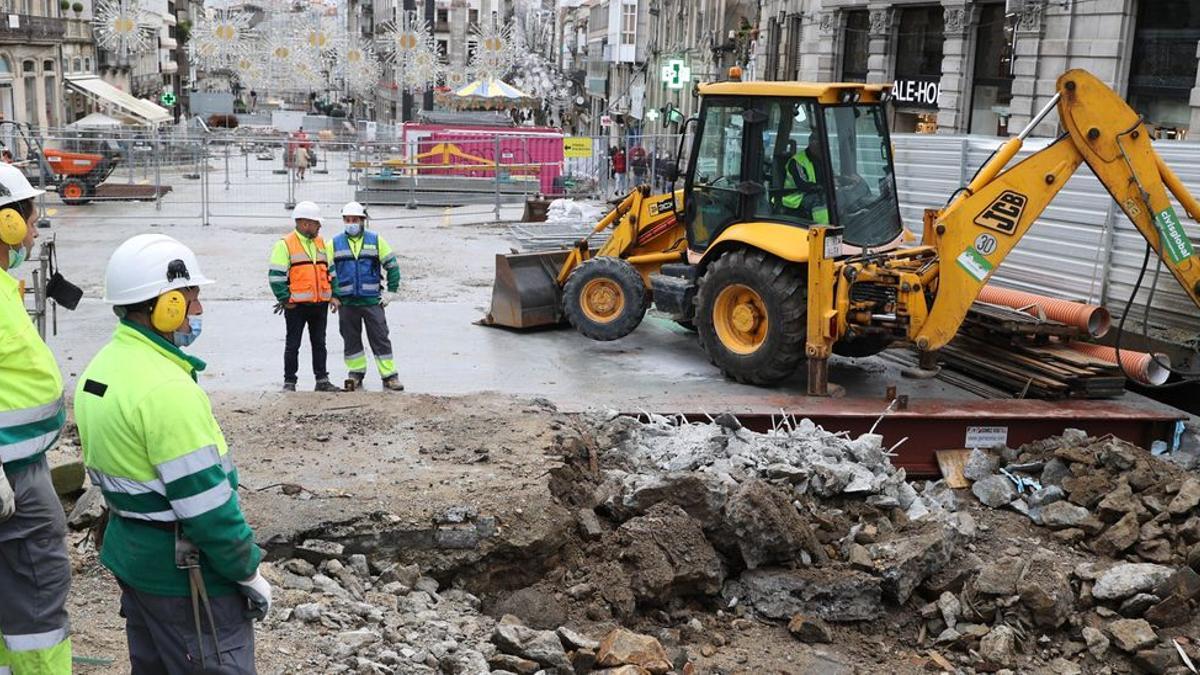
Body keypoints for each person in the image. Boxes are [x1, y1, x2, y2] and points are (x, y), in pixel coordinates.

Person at [74, 234, 270, 674]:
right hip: (186, 577)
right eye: (190, 299)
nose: (197, 311)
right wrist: (248, 571)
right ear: (164, 306)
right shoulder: (166, 389)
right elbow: (206, 507)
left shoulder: (101, 369)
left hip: (137, 562)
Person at [0, 164, 71, 674]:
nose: (34, 228)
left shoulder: (5, 287)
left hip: (20, 467)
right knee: (37, 601)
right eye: (28, 215)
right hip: (11, 476)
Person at [329, 202, 403, 391]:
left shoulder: (376, 240)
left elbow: (392, 266)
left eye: (354, 220)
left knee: (380, 338)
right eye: (347, 220)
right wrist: (333, 295)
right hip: (347, 302)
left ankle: (389, 376)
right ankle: (355, 374)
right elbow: (326, 271)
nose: (351, 223)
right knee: (351, 339)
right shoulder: (334, 243)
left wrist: (391, 292)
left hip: (371, 300)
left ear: (363, 221)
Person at [268, 201, 341, 392]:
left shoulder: (321, 243)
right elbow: (276, 276)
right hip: (296, 307)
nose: (320, 226)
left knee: (319, 343)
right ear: (305, 223)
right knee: (293, 344)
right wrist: (285, 300)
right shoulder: (285, 245)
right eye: (317, 223)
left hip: (319, 304)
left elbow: (330, 271)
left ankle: (322, 380)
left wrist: (334, 295)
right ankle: (290, 382)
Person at [781, 136, 829, 224]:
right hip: (795, 197)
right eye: (820, 146)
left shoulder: (822, 159)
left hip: (814, 191)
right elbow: (802, 184)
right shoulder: (797, 161)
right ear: (812, 144)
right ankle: (824, 228)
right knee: (819, 200)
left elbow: (829, 177)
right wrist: (822, 187)